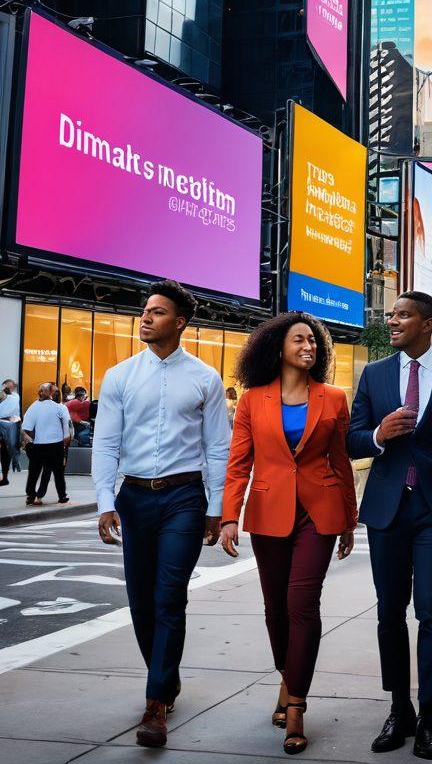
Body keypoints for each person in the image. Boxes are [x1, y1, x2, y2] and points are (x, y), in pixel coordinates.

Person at [346, 291, 432, 760]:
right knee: (389, 614)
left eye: (402, 315)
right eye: (390, 315)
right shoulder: (374, 374)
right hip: (386, 510)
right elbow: (352, 440)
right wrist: (378, 437)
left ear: (428, 322)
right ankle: (398, 707)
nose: (392, 321)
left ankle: (428, 715)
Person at [93, 279, 229, 749]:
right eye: (145, 310)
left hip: (183, 498)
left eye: (157, 311)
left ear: (180, 322)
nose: (145, 318)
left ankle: (155, 704)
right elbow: (106, 442)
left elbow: (218, 447)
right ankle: (165, 679)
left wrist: (216, 509)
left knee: (170, 595)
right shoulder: (120, 376)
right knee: (141, 600)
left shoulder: (205, 378)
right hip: (134, 498)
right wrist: (105, 502)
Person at [220, 313, 357, 755]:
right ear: (277, 347)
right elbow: (239, 463)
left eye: (314, 341)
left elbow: (340, 461)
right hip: (269, 510)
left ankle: (296, 703)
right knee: (275, 608)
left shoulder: (334, 398)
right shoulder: (252, 400)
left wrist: (349, 519)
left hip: (318, 513)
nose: (309, 346)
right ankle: (287, 675)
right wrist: (227, 516)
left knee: (302, 603)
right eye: (300, 339)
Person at [21, 382, 72, 505]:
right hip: (56, 444)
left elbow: (26, 427)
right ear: (51, 393)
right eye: (54, 391)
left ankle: (31, 495)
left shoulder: (33, 407)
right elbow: (68, 425)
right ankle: (61, 495)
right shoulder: (60, 408)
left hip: (38, 444)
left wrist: (32, 438)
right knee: (58, 472)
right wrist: (67, 439)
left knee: (34, 471)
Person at [0, 378, 22, 484]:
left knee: (6, 451)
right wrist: (4, 389)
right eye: (9, 386)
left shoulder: (15, 396)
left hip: (10, 424)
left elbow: (5, 395)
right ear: (3, 385)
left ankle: (5, 477)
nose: (11, 388)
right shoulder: (2, 394)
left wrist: (6, 389)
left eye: (12, 386)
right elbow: (2, 396)